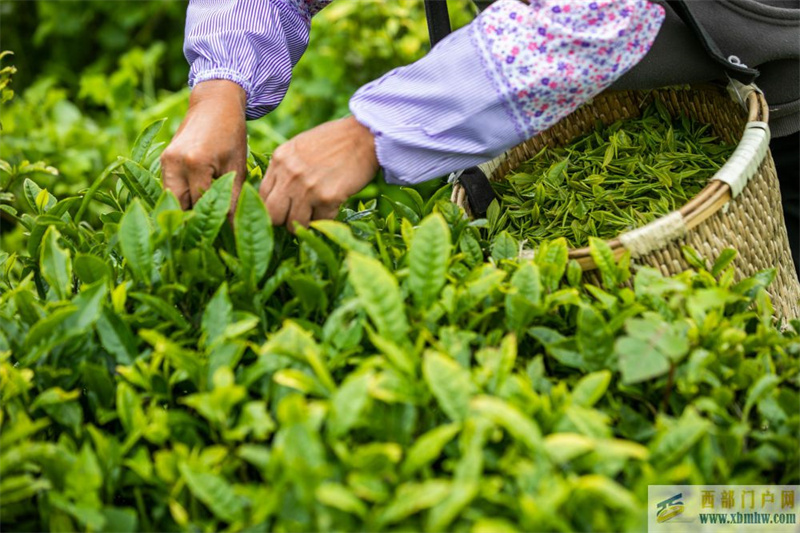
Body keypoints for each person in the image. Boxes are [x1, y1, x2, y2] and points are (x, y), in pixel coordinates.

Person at [161, 0, 798, 273]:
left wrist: (369, 134)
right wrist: (222, 81)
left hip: (767, 88)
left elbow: (595, 12)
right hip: (570, 104)